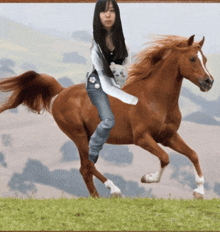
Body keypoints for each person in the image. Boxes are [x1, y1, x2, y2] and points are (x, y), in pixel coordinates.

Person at [86, 0, 138, 164]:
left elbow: (128, 70)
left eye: (111, 11)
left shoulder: (125, 45)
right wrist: (130, 99)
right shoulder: (96, 47)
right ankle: (93, 149)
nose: (108, 15)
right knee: (108, 120)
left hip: (118, 84)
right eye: (103, 11)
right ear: (97, 15)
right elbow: (106, 83)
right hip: (98, 84)